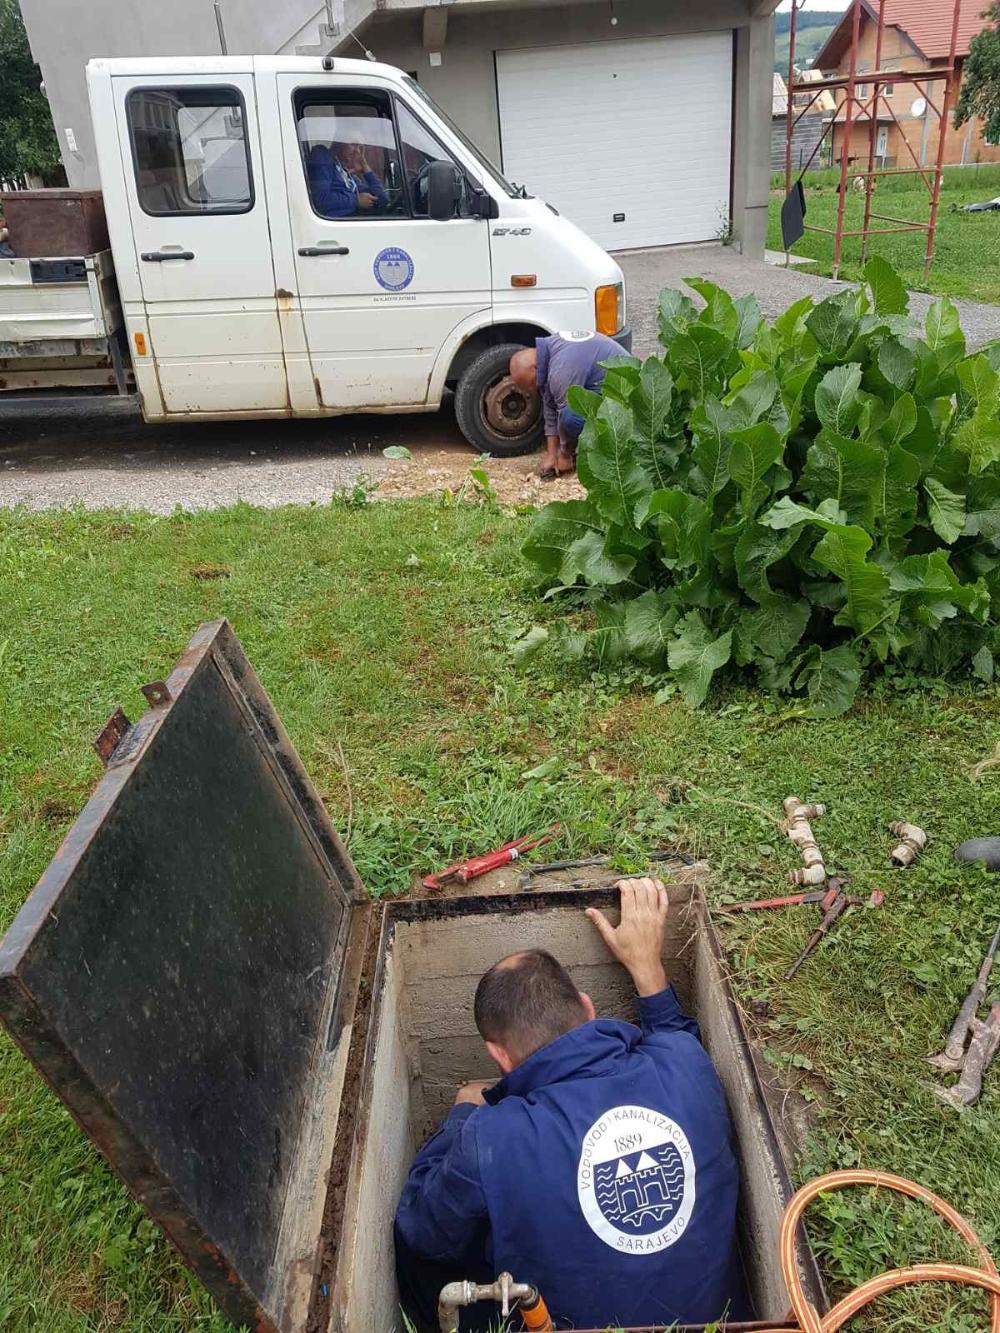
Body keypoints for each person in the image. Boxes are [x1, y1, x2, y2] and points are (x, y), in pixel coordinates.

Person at [394, 878, 745, 1332]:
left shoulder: (489, 1138)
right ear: (587, 1007)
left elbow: (422, 1231)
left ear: (498, 1056)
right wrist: (646, 968)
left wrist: (462, 1115)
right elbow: (675, 1034)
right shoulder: (684, 1064)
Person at [509, 332, 625, 481]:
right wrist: (551, 455)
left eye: (531, 384)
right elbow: (549, 407)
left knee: (571, 417)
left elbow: (567, 415)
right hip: (603, 387)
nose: (533, 389)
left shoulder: (561, 369)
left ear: (535, 368)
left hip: (625, 394)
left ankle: (600, 455)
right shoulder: (550, 351)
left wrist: (564, 454)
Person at [305, 138, 387, 218]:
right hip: (337, 221)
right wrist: (356, 200)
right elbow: (320, 198)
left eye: (359, 147)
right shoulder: (322, 157)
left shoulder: (345, 171)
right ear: (340, 143)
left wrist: (365, 166)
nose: (357, 151)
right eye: (353, 145)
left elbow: (381, 198)